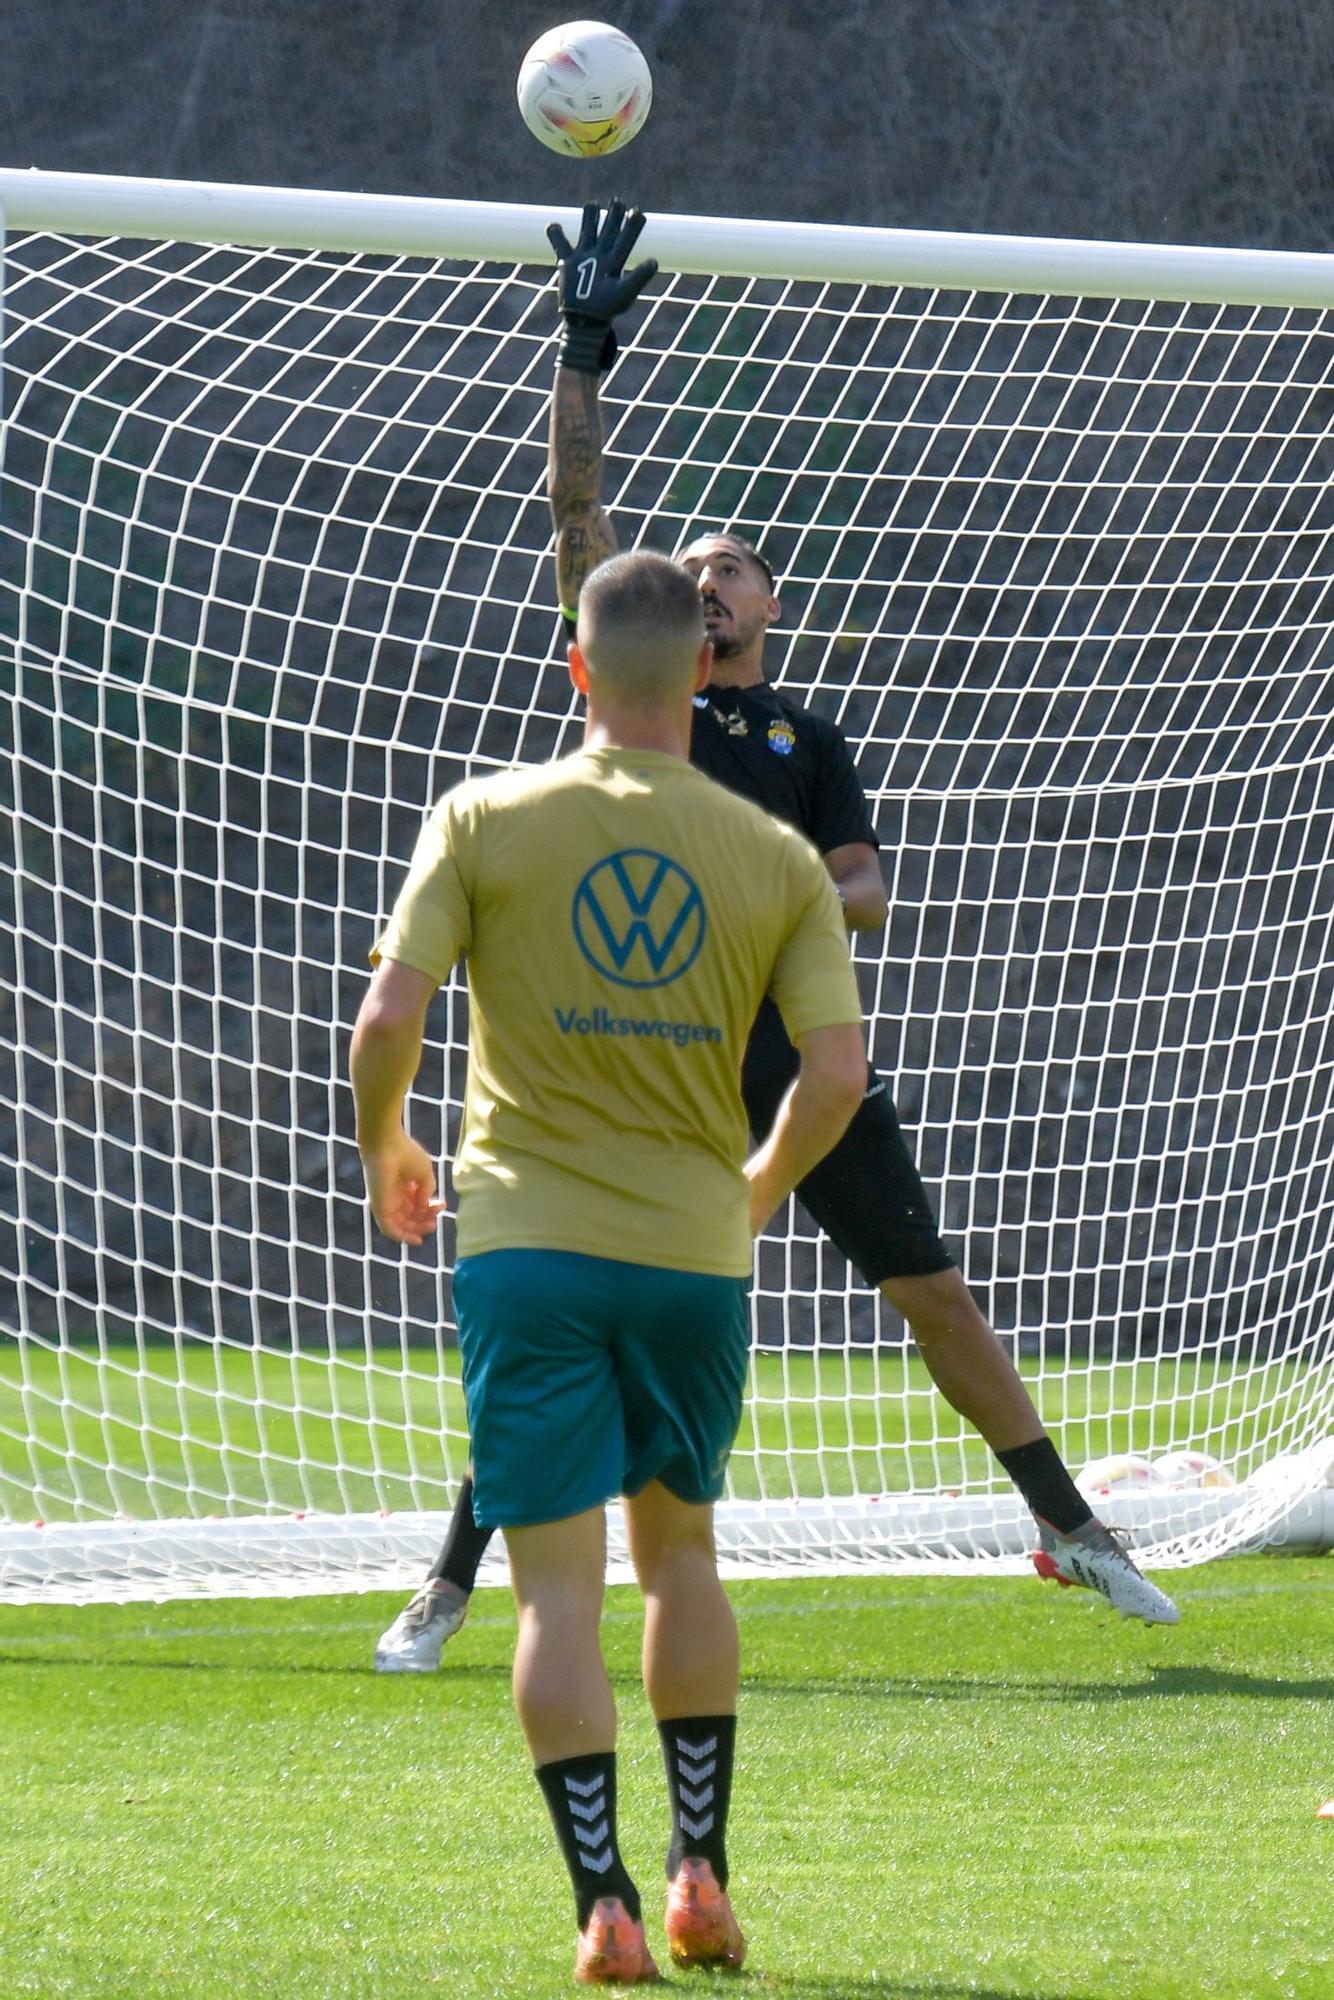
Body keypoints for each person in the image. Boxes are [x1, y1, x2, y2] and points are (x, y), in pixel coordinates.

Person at [375, 202, 1178, 1678]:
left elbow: (867, 891)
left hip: (797, 1059)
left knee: (931, 1288)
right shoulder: (639, 702)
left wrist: (779, 886)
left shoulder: (802, 740)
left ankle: (1070, 1523)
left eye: (732, 567)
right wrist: (581, 360)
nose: (707, 579)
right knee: (580, 1310)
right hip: (647, 1060)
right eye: (688, 571)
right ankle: (446, 1585)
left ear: (770, 607)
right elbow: (576, 524)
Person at [352, 545, 868, 1982]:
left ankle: (607, 1904)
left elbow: (387, 1010)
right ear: (701, 673)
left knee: (554, 1596)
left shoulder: (483, 815)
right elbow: (835, 1073)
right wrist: (754, 1191)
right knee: (683, 1557)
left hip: (527, 1248)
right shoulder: (770, 853)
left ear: (575, 668)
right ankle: (703, 1869)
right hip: (691, 1255)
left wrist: (387, 1142)